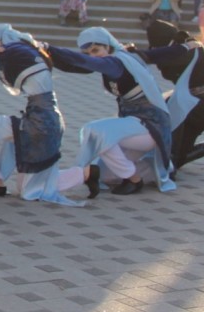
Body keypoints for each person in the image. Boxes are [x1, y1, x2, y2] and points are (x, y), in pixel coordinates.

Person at [0, 24, 98, 204]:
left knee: (30, 191)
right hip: (35, 119)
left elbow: (77, 65)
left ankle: (86, 174)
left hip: (42, 124)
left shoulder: (17, 51)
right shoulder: (19, 50)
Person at [49, 27, 185, 195]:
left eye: (96, 50)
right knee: (106, 176)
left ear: (108, 46)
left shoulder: (117, 62)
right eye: (88, 52)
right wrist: (44, 54)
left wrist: (47, 48)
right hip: (133, 127)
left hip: (150, 126)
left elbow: (86, 62)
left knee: (95, 131)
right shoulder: (124, 56)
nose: (93, 55)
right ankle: (149, 170)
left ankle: (134, 179)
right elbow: (75, 65)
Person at [142, 18, 204, 174]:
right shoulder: (177, 49)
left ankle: (171, 160)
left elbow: (161, 58)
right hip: (193, 104)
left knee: (173, 110)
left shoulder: (191, 49)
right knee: (179, 158)